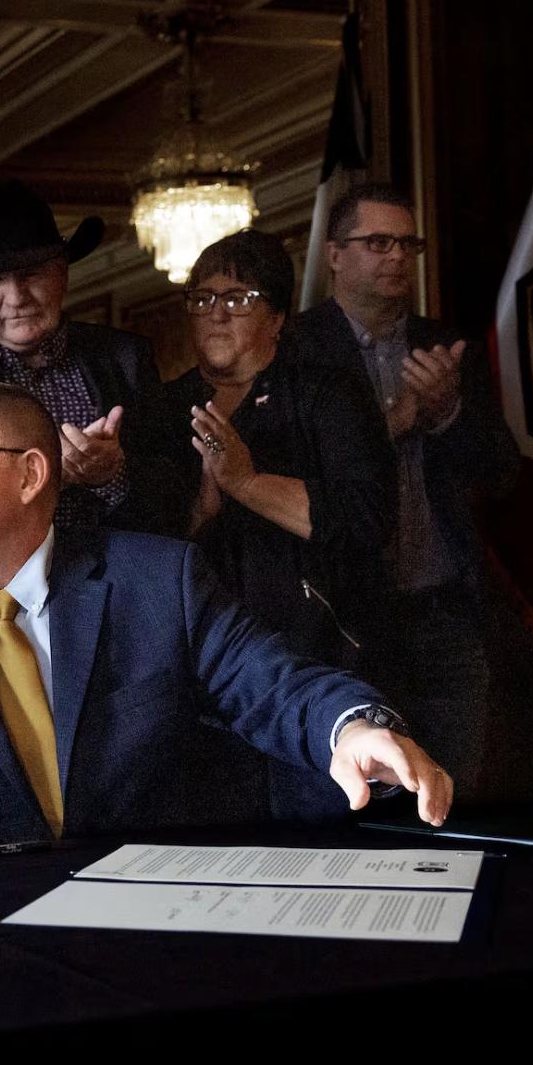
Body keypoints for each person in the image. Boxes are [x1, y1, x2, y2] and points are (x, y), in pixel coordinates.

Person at [0, 381, 452, 862]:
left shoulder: (160, 581)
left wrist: (352, 729)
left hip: (153, 925)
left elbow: (274, 687)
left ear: (32, 474)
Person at [151, 231, 396, 820]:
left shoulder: (324, 394)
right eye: (202, 298)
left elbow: (364, 518)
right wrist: (201, 510)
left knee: (318, 843)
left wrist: (246, 484)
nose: (215, 313)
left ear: (279, 316)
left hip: (312, 656)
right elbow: (145, 539)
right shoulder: (161, 405)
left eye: (237, 297)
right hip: (194, 667)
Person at [286, 184, 520, 792]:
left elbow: (500, 471)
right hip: (344, 619)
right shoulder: (295, 348)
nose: (396, 257)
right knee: (360, 804)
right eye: (378, 242)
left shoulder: (445, 348)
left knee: (453, 796)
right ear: (335, 255)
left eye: (406, 244)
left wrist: (446, 413)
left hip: (443, 611)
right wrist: (398, 419)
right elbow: (296, 477)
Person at [0, 179, 168, 535]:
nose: (16, 297)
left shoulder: (127, 358)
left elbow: (170, 490)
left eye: (32, 274)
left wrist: (112, 475)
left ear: (63, 275)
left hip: (114, 576)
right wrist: (47, 477)